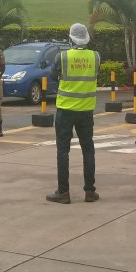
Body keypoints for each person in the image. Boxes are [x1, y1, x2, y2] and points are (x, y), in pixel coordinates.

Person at [46, 23, 101, 204]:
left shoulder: (62, 57)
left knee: (63, 151)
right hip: (86, 110)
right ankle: (90, 192)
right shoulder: (95, 57)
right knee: (88, 150)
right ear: (86, 38)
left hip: (66, 110)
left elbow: (53, 76)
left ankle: (63, 193)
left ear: (70, 38)